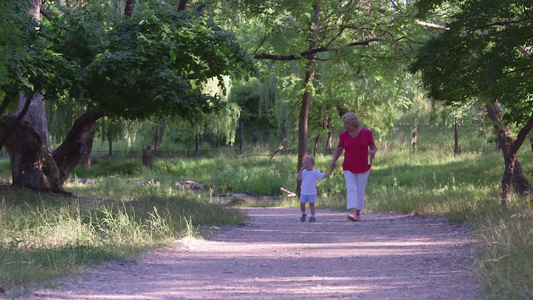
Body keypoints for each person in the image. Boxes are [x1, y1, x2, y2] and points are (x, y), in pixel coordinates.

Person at [329, 112, 377, 221]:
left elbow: (374, 147)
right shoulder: (343, 135)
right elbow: (339, 149)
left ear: (353, 122)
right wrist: (333, 161)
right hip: (348, 166)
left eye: (347, 123)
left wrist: (372, 152)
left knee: (360, 190)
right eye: (344, 123)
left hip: (364, 166)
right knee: (351, 189)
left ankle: (358, 214)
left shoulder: (367, 133)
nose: (346, 125)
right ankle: (352, 212)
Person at [297, 155, 332, 222]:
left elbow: (323, 175)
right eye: (304, 163)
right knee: (302, 203)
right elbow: (298, 178)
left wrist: (329, 172)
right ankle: (303, 213)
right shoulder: (303, 172)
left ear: (312, 164)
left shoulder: (315, 172)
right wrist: (301, 170)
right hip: (304, 192)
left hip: (312, 192)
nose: (305, 164)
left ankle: (313, 216)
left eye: (307, 163)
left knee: (312, 204)